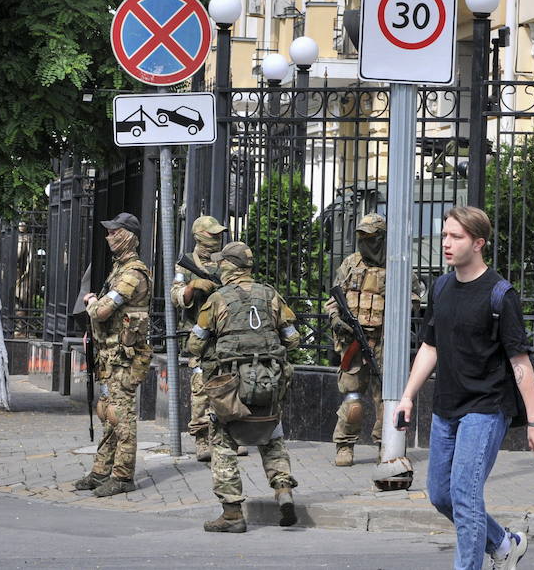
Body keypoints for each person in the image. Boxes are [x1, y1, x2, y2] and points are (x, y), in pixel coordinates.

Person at [395, 207, 534, 570]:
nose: (446, 243)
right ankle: (503, 542)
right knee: (441, 495)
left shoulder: (500, 295)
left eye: (456, 237)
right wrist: (407, 395)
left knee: (465, 495)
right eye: (445, 235)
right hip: (447, 406)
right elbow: (430, 346)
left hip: (486, 407)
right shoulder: (441, 288)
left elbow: (520, 362)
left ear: (478, 243)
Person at [186, 241, 300, 533]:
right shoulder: (271, 295)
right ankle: (283, 489)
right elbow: (293, 338)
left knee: (223, 444)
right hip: (269, 382)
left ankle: (233, 514)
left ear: (228, 267)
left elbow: (195, 343)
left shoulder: (217, 300)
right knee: (272, 435)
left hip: (232, 388)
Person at [322, 212, 423, 467]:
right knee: (352, 399)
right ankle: (345, 445)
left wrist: (404, 300)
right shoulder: (350, 265)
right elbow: (333, 301)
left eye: (371, 237)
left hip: (385, 341)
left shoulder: (397, 265)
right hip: (353, 341)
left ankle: (384, 444)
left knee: (386, 398)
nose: (365, 241)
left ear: (381, 237)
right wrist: (337, 320)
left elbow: (415, 300)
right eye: (361, 236)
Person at [74, 212, 152, 497]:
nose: (108, 237)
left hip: (124, 359)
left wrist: (92, 301)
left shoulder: (132, 273)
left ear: (125, 236)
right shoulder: (119, 269)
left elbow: (103, 310)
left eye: (113, 232)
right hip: (109, 355)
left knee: (121, 414)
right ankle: (100, 471)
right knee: (107, 412)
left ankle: (122, 476)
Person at [170, 214, 228, 462]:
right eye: (212, 234)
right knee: (200, 389)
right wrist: (193, 287)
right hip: (197, 336)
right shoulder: (186, 264)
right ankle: (201, 438)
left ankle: (224, 437)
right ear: (199, 236)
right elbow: (176, 295)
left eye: (218, 234)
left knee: (226, 386)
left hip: (223, 335)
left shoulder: (226, 260)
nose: (216, 238)